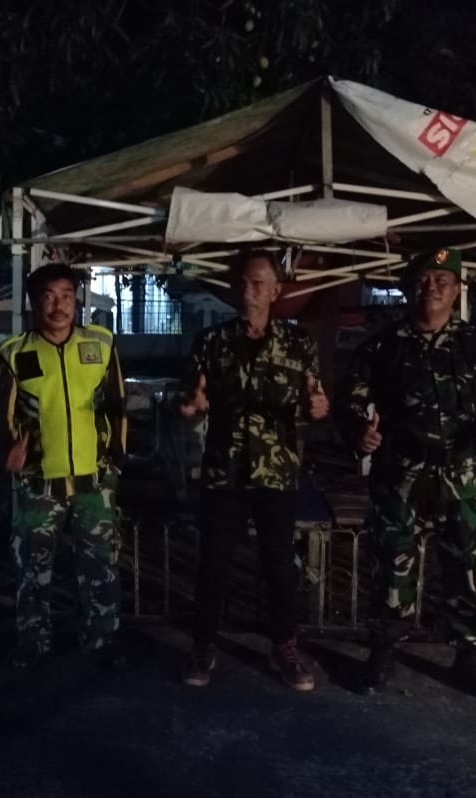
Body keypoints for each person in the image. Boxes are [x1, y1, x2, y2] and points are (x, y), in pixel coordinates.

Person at [337, 247, 476, 701]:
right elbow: (350, 400)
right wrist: (357, 432)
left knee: (468, 568)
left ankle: (469, 658)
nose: (432, 288)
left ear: (456, 289)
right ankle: (383, 652)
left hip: (464, 477)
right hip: (401, 476)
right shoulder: (383, 346)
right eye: (423, 281)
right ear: (410, 289)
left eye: (441, 281)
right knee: (391, 566)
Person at [179, 249, 329, 691]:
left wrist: (318, 408)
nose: (249, 291)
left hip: (276, 472)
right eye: (243, 283)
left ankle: (285, 646)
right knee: (213, 563)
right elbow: (189, 396)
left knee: (280, 565)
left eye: (259, 283)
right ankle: (203, 644)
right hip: (223, 471)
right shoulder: (211, 342)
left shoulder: (298, 343)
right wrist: (190, 404)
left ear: (276, 291)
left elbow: (314, 398)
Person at [0, 262, 127, 669]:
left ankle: (101, 640)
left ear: (76, 300)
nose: (59, 305)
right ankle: (33, 642)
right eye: (48, 297)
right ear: (35, 303)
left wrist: (116, 458)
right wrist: (7, 449)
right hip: (38, 481)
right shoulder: (15, 353)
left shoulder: (101, 344)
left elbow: (118, 403)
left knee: (100, 565)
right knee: (32, 568)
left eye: (66, 296)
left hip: (94, 479)